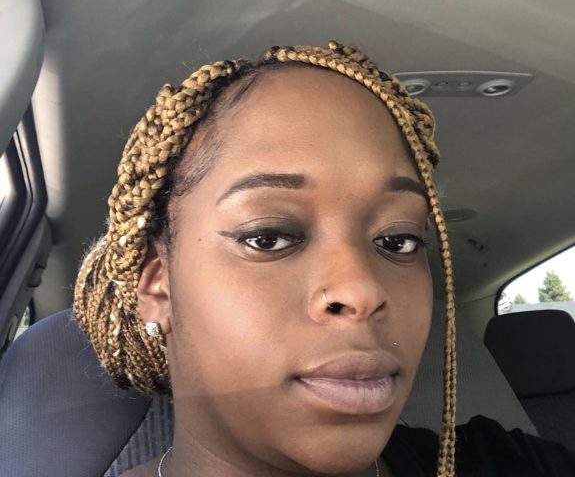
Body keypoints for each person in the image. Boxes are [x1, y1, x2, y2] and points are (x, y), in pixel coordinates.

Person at [73, 42, 575, 477]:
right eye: (268, 237)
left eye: (398, 240)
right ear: (158, 287)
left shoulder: (508, 462)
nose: (362, 290)